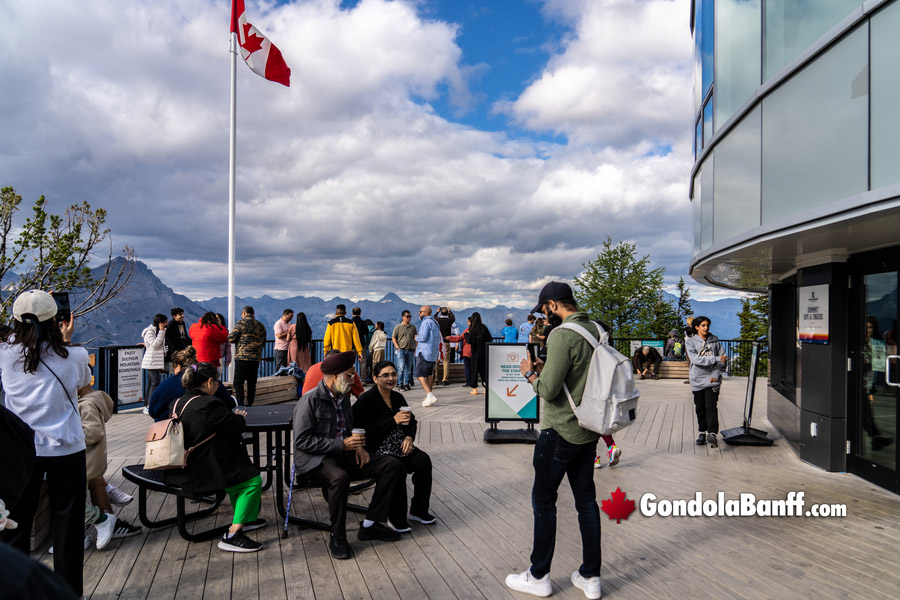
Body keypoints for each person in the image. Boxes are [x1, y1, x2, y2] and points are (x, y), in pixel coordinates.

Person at [507, 282, 602, 600]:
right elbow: (577, 376)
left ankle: (538, 575)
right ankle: (590, 576)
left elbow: (547, 391)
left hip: (559, 430)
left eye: (544, 310)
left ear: (552, 305)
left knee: (544, 503)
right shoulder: (597, 330)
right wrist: (547, 371)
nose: (544, 317)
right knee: (586, 503)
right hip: (588, 430)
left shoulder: (562, 335)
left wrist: (530, 374)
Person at [0, 290, 93, 597]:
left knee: (15, 525)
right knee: (67, 526)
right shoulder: (75, 355)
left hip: (19, 451)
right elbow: (83, 387)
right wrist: (65, 340)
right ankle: (68, 593)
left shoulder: (3, 351)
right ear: (58, 319)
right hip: (66, 448)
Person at [292, 351, 406, 560]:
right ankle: (338, 536)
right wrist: (342, 445)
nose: (354, 378)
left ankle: (371, 523)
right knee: (339, 477)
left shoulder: (343, 399)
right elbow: (301, 442)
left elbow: (350, 429)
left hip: (342, 453)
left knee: (390, 464)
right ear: (335, 376)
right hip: (315, 460)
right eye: (349, 375)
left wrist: (359, 447)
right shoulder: (310, 401)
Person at [165, 362, 265, 552]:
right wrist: (240, 418)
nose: (218, 386)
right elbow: (234, 426)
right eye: (217, 382)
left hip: (182, 462)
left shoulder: (177, 402)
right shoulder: (210, 404)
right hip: (201, 469)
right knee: (252, 481)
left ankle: (246, 519)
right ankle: (233, 534)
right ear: (209, 382)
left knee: (240, 473)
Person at [354, 360, 435, 529]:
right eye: (385, 375)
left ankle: (419, 510)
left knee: (423, 461)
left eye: (393, 374)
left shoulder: (398, 397)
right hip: (377, 448)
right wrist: (393, 421)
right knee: (397, 467)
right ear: (375, 379)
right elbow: (364, 429)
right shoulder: (366, 401)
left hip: (399, 445)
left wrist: (409, 438)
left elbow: (412, 421)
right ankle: (396, 517)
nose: (391, 378)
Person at [79, 389, 142, 539]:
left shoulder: (86, 404)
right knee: (96, 480)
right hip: (93, 459)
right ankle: (109, 495)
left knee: (73, 494)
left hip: (84, 457)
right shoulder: (95, 400)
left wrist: (66, 438)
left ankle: (101, 525)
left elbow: (93, 433)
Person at [148, 347, 236, 421]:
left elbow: (152, 411)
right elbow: (230, 403)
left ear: (178, 366)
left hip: (170, 433)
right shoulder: (209, 383)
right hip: (202, 431)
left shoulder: (165, 385)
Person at [686, 316, 727, 448]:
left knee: (711, 406)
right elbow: (696, 360)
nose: (706, 328)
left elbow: (723, 359)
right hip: (697, 379)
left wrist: (716, 374)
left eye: (707, 325)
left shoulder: (715, 341)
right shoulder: (691, 342)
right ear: (696, 327)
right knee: (700, 407)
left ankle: (713, 433)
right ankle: (702, 432)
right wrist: (715, 358)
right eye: (703, 325)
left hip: (712, 379)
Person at [228, 306, 267, 406]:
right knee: (251, 383)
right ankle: (250, 403)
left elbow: (231, 338)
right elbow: (263, 342)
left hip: (242, 357)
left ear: (244, 313)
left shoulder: (241, 323)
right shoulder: (260, 325)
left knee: (238, 382)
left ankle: (240, 403)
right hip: (255, 358)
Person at [141, 313, 167, 414]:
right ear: (160, 323)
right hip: (151, 361)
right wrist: (161, 331)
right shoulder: (150, 332)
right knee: (155, 382)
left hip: (155, 361)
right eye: (165, 322)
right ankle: (150, 405)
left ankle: (147, 405)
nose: (166, 324)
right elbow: (155, 344)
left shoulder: (158, 331)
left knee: (151, 383)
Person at [415, 306, 441, 407]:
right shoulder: (435, 322)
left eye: (420, 311)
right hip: (433, 352)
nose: (419, 313)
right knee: (429, 374)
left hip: (424, 351)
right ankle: (428, 396)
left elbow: (423, 337)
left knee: (419, 374)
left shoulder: (426, 322)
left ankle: (429, 395)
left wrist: (415, 337)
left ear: (426, 313)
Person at [466, 312, 492, 395]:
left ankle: (475, 389)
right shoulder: (483, 327)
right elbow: (490, 338)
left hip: (475, 352)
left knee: (474, 370)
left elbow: (469, 341)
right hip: (484, 352)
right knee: (483, 370)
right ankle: (486, 388)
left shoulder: (472, 329)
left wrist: (467, 335)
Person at [392, 310, 417, 391]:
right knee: (401, 368)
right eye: (407, 316)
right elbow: (393, 337)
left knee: (408, 369)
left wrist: (416, 348)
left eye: (410, 316)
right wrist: (397, 347)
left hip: (410, 350)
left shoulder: (413, 327)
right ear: (403, 317)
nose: (409, 318)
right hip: (401, 350)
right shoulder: (398, 327)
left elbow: (415, 338)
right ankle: (400, 384)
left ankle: (406, 383)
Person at [164, 307, 191, 373]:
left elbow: (184, 336)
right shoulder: (171, 324)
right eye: (180, 314)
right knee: (176, 370)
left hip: (183, 350)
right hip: (175, 351)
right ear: (174, 316)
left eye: (182, 314)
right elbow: (166, 337)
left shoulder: (182, 323)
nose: (182, 316)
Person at [433, 306, 455, 386]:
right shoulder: (449, 320)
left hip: (438, 343)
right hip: (446, 342)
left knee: (437, 361)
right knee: (446, 361)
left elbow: (434, 317)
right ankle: (445, 380)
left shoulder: (437, 320)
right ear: (447, 313)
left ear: (441, 312)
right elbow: (453, 318)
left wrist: (437, 311)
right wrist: (450, 311)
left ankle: (435, 379)